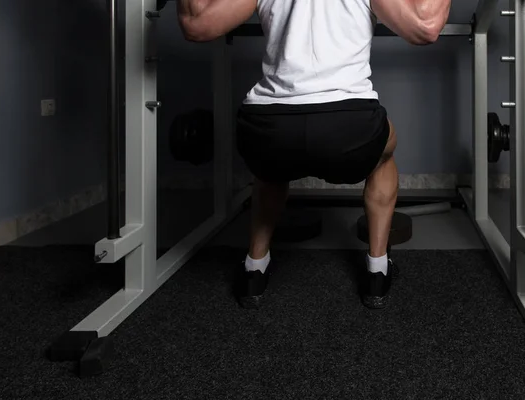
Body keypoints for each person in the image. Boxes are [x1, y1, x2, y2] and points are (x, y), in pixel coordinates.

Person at [178, 0, 451, 309]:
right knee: (384, 153)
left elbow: (196, 24)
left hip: (267, 129)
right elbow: (425, 26)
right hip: (349, 131)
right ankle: (378, 269)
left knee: (270, 170)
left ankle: (254, 267)